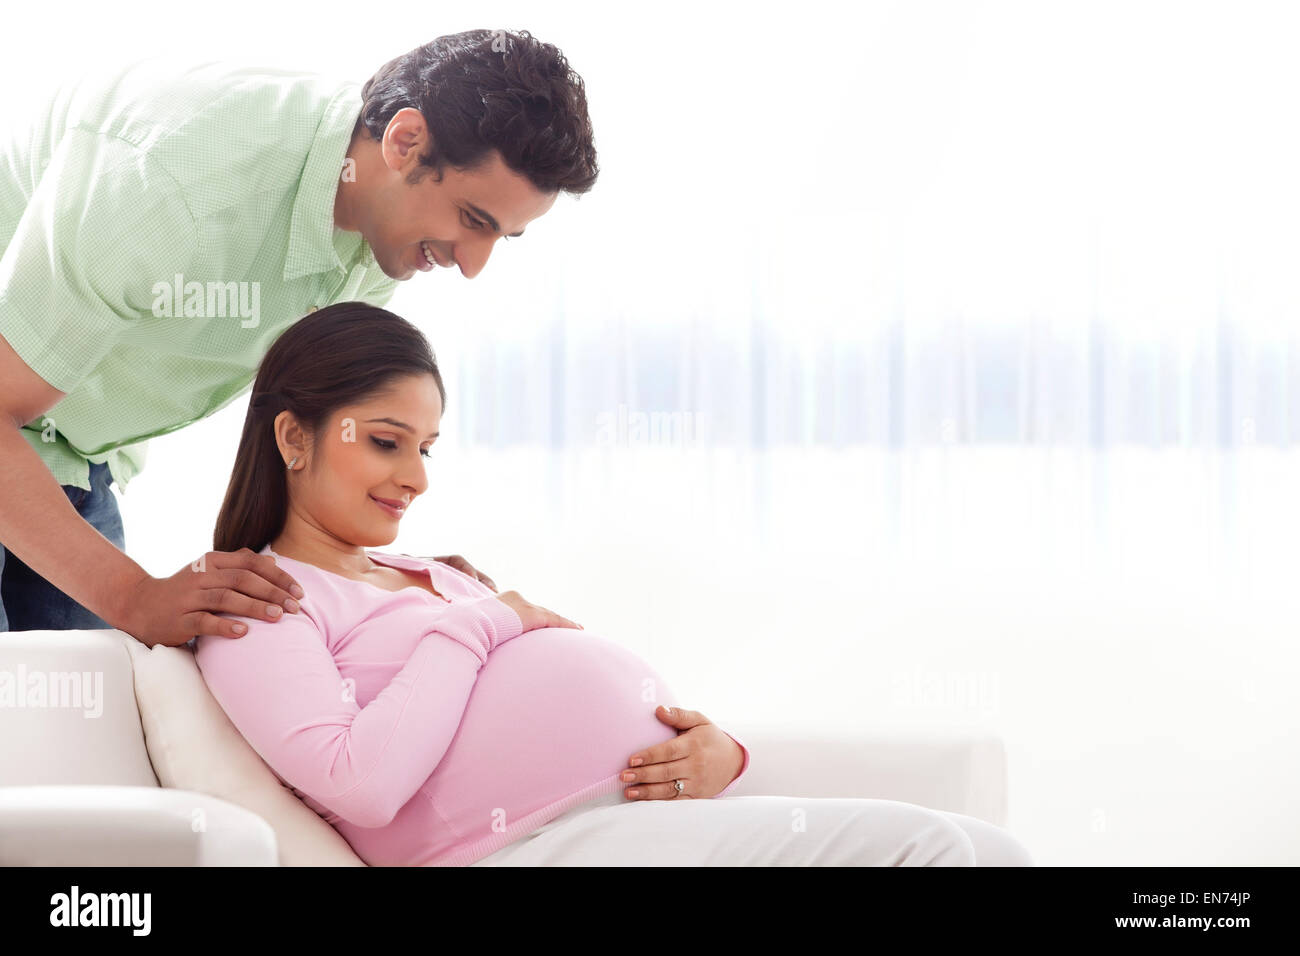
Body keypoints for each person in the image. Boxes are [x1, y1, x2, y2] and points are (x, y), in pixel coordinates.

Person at [193, 302, 1035, 866]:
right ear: (293, 437)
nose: (416, 476)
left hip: (630, 825)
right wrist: (482, 622)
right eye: (385, 441)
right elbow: (361, 785)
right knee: (932, 852)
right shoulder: (259, 605)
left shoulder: (431, 574)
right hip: (530, 848)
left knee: (993, 851)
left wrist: (718, 755)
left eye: (427, 446)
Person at [0, 29, 594, 644]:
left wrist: (393, 582)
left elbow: (308, 458)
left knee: (77, 716)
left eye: (502, 235)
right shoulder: (178, 180)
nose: (472, 264)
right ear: (406, 142)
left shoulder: (378, 238)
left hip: (71, 456)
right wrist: (131, 594)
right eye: (473, 220)